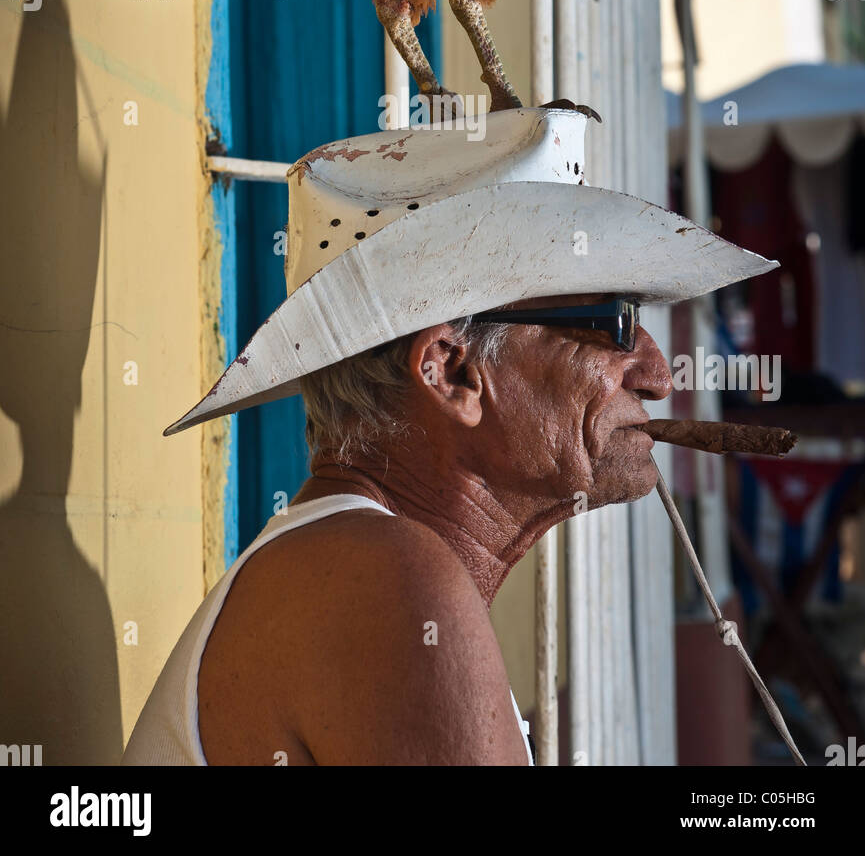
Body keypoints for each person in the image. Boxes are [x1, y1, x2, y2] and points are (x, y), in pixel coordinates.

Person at [122, 107, 775, 766]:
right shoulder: (382, 580)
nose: (658, 376)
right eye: (614, 323)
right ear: (452, 372)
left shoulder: (367, 568)